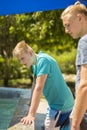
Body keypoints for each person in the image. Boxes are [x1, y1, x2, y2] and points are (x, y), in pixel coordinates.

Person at [12, 40, 74, 130]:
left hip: (60, 104)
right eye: (19, 60)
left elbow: (39, 88)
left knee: (47, 127)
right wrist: (30, 105)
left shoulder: (43, 61)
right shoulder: (35, 63)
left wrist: (31, 115)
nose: (21, 62)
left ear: (30, 52)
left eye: (22, 58)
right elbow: (35, 84)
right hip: (62, 102)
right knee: (60, 124)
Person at [61, 1, 87, 130]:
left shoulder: (85, 41)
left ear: (80, 18)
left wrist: (75, 124)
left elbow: (85, 85)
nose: (66, 30)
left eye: (68, 25)